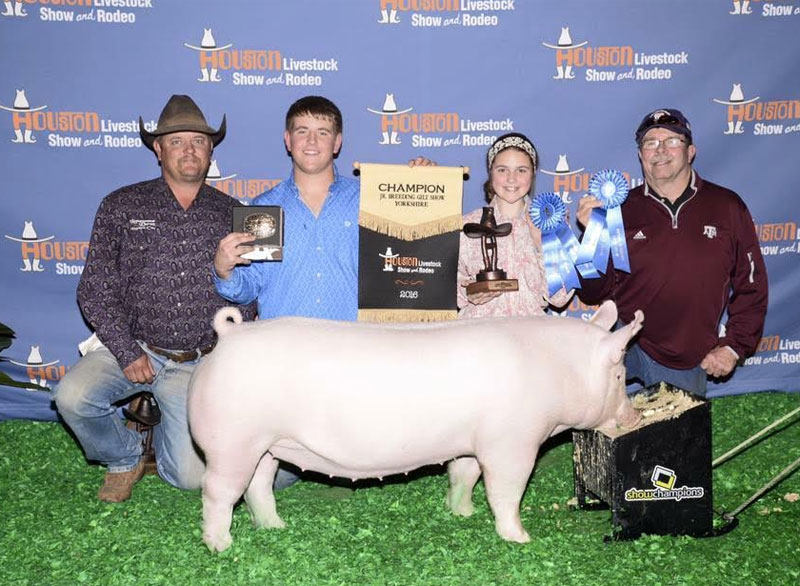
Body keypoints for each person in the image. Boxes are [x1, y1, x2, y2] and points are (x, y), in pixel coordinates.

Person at [53, 95, 257, 503]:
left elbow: (247, 297)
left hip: (197, 360)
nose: (189, 150)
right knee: (72, 397)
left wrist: (231, 355)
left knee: (190, 477)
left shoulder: (233, 213)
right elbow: (94, 287)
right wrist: (127, 350)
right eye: (177, 141)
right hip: (135, 346)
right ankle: (125, 456)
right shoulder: (122, 205)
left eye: (198, 141)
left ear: (211, 151)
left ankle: (153, 425)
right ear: (158, 149)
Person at [576, 108, 768, 396]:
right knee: (588, 408)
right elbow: (592, 292)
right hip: (623, 337)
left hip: (682, 353)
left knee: (677, 425)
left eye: (672, 141)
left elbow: (751, 286)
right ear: (640, 155)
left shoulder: (727, 207)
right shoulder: (619, 209)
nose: (660, 150)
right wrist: (592, 238)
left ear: (690, 151)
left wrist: (733, 346)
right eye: (650, 142)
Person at [213, 95, 433, 319]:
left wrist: (429, 188)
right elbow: (247, 289)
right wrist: (224, 270)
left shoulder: (370, 200)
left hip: (354, 338)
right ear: (288, 140)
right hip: (285, 340)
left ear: (337, 143)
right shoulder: (263, 207)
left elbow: (412, 250)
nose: (311, 141)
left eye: (323, 132)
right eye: (302, 131)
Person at [457, 132, 573, 318]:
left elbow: (560, 298)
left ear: (533, 173)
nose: (511, 179)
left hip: (530, 333)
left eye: (521, 170)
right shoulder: (466, 225)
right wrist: (469, 292)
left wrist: (541, 244)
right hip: (480, 332)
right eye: (502, 170)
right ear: (491, 172)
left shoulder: (552, 221)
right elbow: (450, 290)